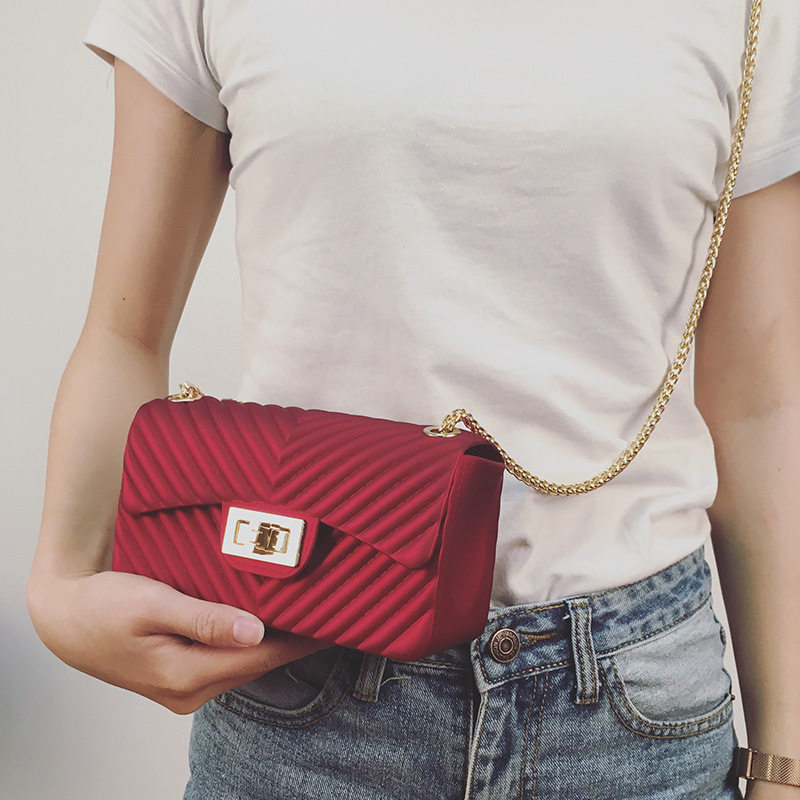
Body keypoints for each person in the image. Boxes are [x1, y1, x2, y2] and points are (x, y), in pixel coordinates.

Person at [27, 0, 800, 798]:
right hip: (306, 667)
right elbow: (124, 334)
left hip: (634, 707)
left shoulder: (752, 14)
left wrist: (787, 763)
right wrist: (58, 584)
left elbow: (760, 402)